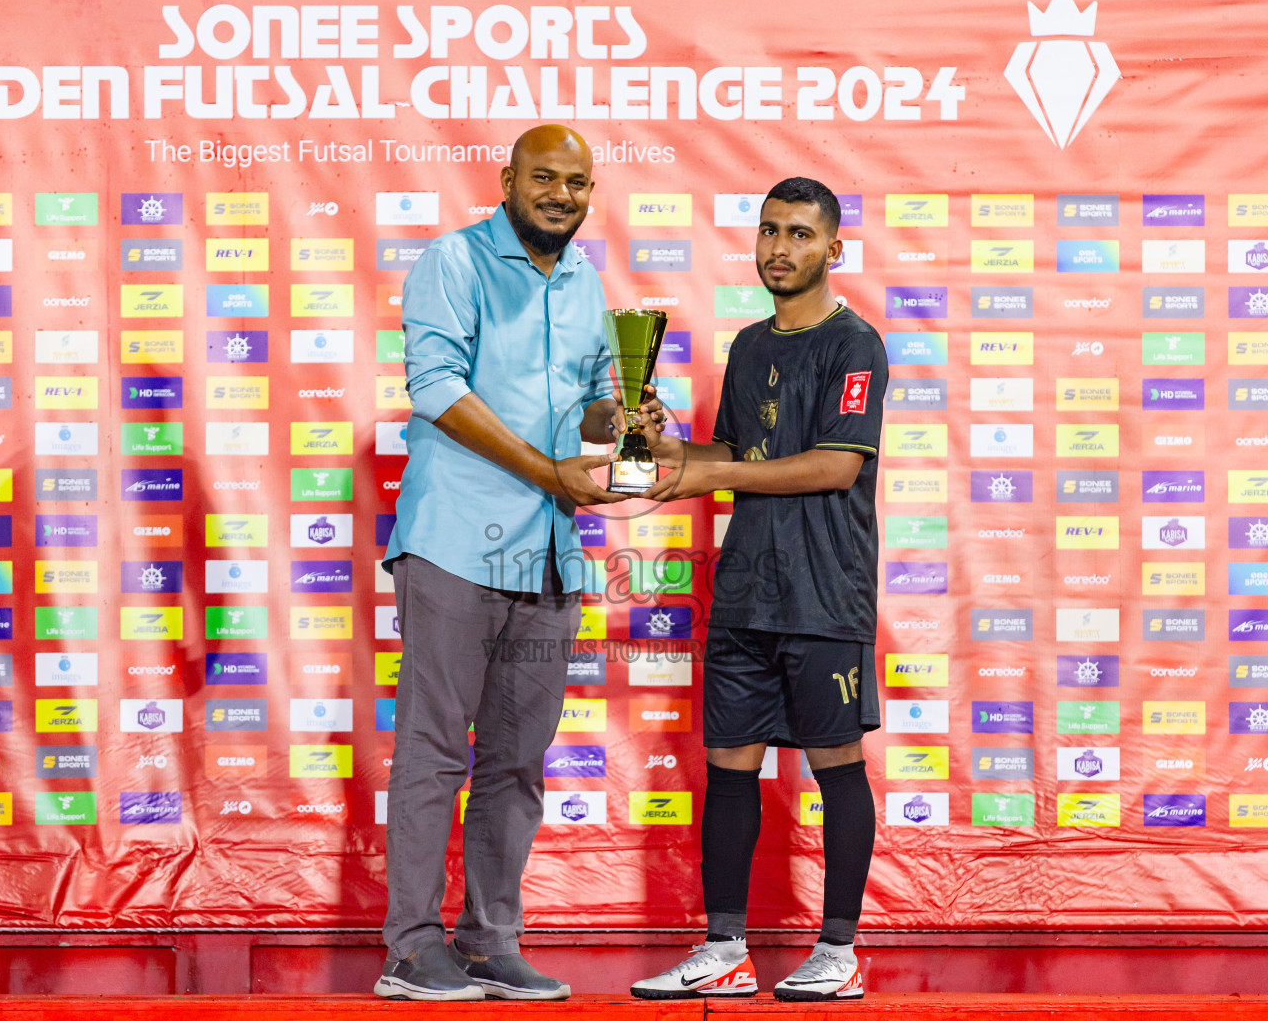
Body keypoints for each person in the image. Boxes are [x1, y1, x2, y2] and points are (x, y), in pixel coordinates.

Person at [374, 125, 664, 1001]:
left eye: (577, 182)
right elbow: (436, 389)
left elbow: (590, 410)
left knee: (516, 760)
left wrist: (631, 421)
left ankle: (488, 940)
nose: (562, 195)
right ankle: (409, 949)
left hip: (547, 555)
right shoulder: (453, 262)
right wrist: (547, 472)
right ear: (508, 180)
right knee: (433, 753)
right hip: (457, 540)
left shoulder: (585, 282)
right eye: (545, 178)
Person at [630, 177, 886, 1002]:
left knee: (836, 765)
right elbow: (730, 451)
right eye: (771, 231)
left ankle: (839, 952)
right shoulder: (747, 346)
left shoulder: (857, 346)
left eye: (801, 234)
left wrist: (719, 476)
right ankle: (724, 950)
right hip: (747, 592)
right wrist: (668, 450)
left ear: (832, 249)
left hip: (825, 593)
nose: (781, 247)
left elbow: (834, 465)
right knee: (729, 768)